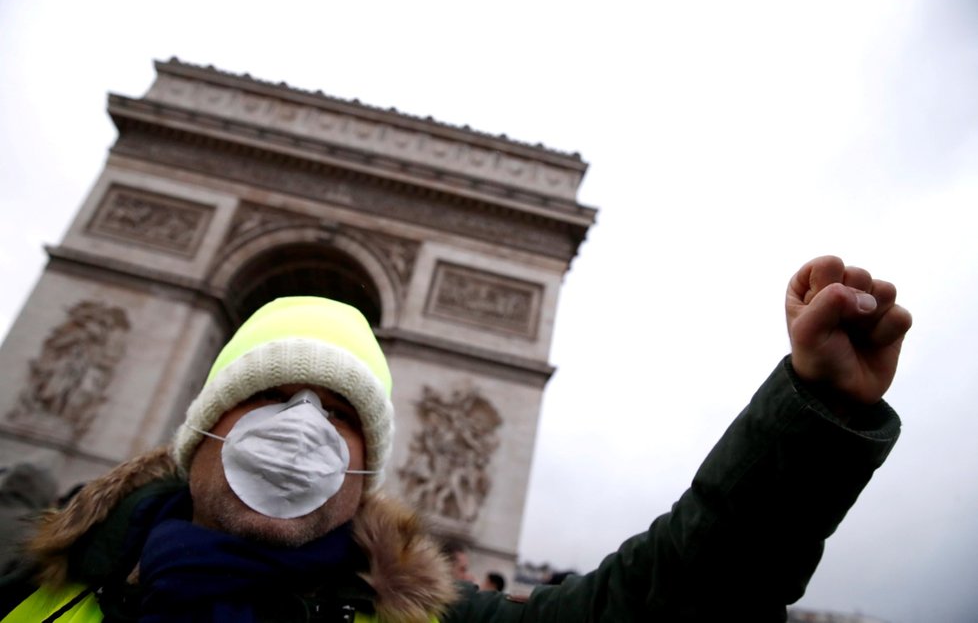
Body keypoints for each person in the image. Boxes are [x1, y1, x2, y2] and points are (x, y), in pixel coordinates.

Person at [0, 255, 912, 621]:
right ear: (199, 430)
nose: (300, 429)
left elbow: (665, 604)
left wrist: (813, 415)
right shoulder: (24, 576)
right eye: (269, 395)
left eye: (340, 411)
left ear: (367, 468)